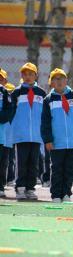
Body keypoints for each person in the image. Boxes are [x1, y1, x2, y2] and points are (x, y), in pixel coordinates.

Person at [40, 68, 73, 203]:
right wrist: (48, 139)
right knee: (56, 169)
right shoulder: (48, 100)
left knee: (70, 169)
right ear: (51, 83)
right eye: (55, 79)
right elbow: (45, 122)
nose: (59, 81)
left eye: (61, 78)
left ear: (66, 80)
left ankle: (66, 194)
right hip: (57, 142)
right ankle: (56, 195)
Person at [9, 62, 45, 200]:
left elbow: (44, 114)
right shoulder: (16, 93)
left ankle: (30, 188)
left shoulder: (41, 93)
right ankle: (20, 188)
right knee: (21, 162)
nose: (28, 76)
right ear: (21, 76)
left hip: (36, 135)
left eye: (31, 74)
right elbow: (11, 112)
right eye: (25, 74)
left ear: (36, 75)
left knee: (33, 163)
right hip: (21, 134)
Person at [0, 69, 11, 198]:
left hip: (1, 135)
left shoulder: (4, 92)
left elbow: (9, 109)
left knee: (1, 162)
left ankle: (0, 186)